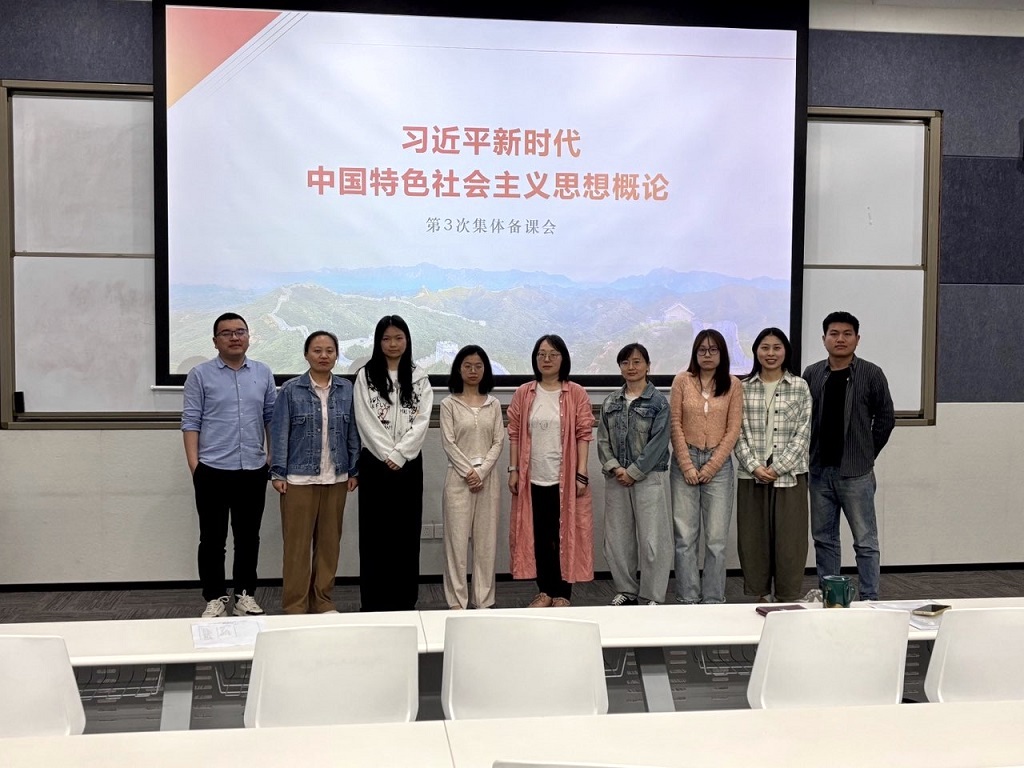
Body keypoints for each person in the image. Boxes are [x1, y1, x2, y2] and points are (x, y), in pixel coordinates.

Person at [181, 312, 276, 618]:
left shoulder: (263, 372)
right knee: (212, 540)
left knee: (248, 538)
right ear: (215, 341)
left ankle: (245, 596)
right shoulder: (200, 375)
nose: (235, 337)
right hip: (212, 469)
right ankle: (215, 597)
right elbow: (191, 421)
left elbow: (270, 417)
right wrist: (195, 466)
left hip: (252, 468)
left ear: (248, 336)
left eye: (240, 331)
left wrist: (271, 456)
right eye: (227, 333)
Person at [803, 311, 895, 601]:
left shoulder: (871, 373)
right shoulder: (812, 373)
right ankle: (831, 596)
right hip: (820, 471)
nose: (840, 339)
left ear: (857, 338)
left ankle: (869, 598)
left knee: (865, 541)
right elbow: (804, 420)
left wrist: (866, 453)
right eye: (834, 334)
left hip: (856, 473)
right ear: (824, 339)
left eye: (847, 334)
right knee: (824, 540)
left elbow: (885, 419)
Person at [269, 331, 360, 614]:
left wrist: (354, 469)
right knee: (296, 548)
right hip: (298, 479)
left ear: (337, 355)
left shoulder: (347, 389)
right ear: (306, 354)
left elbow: (352, 432)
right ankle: (295, 604)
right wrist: (278, 473)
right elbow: (280, 432)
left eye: (330, 350)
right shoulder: (290, 390)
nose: (324, 355)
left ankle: (323, 600)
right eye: (317, 350)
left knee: (329, 545)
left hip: (337, 476)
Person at [507, 335, 594, 608]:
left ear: (563, 358)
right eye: (541, 354)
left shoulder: (575, 392)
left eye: (553, 354)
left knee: (564, 537)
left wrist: (581, 473)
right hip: (532, 478)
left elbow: (583, 434)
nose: (546, 359)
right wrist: (513, 470)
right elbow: (514, 434)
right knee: (540, 537)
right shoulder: (524, 393)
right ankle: (545, 590)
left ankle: (562, 593)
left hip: (564, 480)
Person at [353, 315, 433, 611]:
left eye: (398, 338)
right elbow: (364, 418)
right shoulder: (366, 375)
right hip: (375, 463)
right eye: (386, 339)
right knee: (374, 534)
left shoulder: (419, 377)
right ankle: (373, 602)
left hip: (408, 464)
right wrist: (388, 453)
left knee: (406, 534)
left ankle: (404, 600)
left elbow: (423, 420)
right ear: (378, 342)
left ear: (407, 340)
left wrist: (401, 454)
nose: (393, 344)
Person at [734, 328, 811, 603]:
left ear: (785, 351)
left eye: (777, 347)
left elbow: (803, 433)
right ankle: (760, 596)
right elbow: (735, 433)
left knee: (790, 541)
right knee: (753, 539)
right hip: (751, 473)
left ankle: (787, 597)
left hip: (789, 476)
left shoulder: (799, 386)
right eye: (764, 347)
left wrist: (778, 468)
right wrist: (754, 466)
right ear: (756, 351)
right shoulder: (742, 388)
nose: (770, 353)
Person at [669, 329, 742, 604]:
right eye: (702, 350)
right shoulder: (682, 381)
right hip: (684, 462)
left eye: (713, 350)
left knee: (716, 540)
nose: (707, 355)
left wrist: (711, 467)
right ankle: (688, 597)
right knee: (685, 537)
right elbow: (675, 423)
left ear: (722, 353)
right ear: (695, 353)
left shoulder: (733, 384)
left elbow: (733, 429)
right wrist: (687, 465)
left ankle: (713, 599)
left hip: (719, 466)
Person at [597, 343, 672, 606]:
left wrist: (634, 471)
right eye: (625, 362)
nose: (631, 367)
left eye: (637, 362)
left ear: (648, 366)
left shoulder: (659, 402)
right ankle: (626, 590)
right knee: (617, 540)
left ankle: (653, 595)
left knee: (653, 540)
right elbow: (602, 440)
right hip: (616, 478)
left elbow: (658, 443)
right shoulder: (610, 401)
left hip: (649, 477)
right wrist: (616, 468)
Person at [439, 345, 505, 609]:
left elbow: (498, 442)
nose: (473, 370)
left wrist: (481, 472)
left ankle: (483, 601)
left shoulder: (494, 404)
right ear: (459, 369)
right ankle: (457, 602)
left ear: (485, 370)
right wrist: (469, 472)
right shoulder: (449, 404)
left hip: (488, 479)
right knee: (455, 543)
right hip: (458, 479)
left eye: (478, 366)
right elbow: (448, 443)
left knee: (486, 544)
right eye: (468, 366)